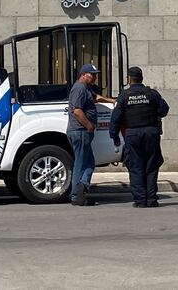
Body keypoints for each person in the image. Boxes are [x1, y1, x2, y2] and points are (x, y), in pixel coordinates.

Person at [109, 66, 169, 208]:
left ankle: (141, 201)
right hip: (150, 133)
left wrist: (115, 137)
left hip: (133, 134)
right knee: (151, 166)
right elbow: (164, 110)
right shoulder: (152, 93)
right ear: (141, 78)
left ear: (129, 79)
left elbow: (115, 119)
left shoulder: (124, 96)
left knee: (136, 167)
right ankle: (151, 199)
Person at [68, 63, 116, 206]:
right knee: (81, 164)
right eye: (92, 74)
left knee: (89, 162)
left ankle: (82, 188)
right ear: (83, 75)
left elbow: (96, 98)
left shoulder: (86, 89)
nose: (95, 77)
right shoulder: (79, 88)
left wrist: (112, 100)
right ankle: (77, 194)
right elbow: (77, 111)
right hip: (80, 131)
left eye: (95, 74)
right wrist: (88, 125)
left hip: (83, 132)